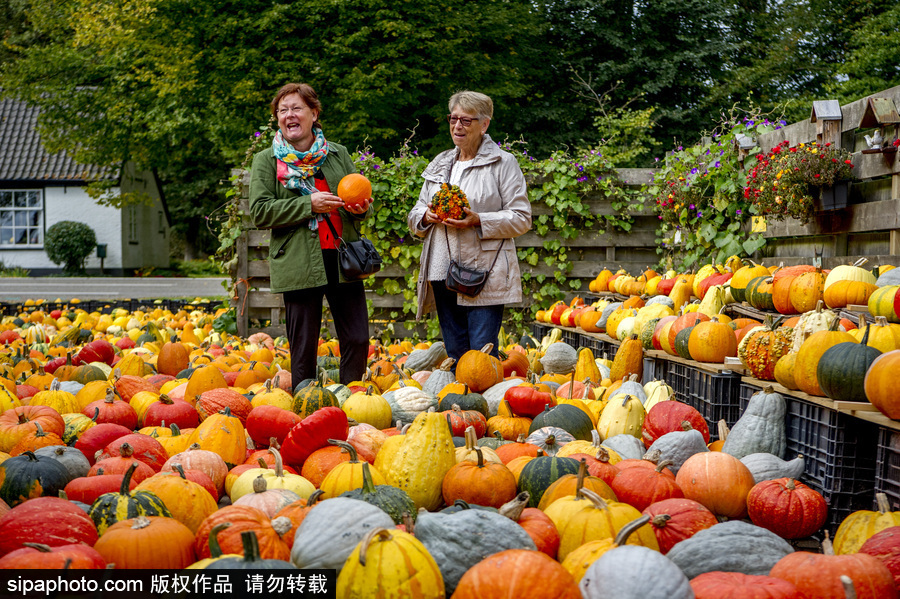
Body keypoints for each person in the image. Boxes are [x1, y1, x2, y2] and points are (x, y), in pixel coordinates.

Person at [249, 83, 373, 386]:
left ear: (313, 113)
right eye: (283, 110)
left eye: (296, 108)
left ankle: (350, 399)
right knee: (303, 347)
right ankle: (305, 406)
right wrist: (308, 204)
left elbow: (356, 197)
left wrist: (361, 209)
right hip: (298, 260)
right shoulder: (267, 160)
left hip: (343, 258)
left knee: (357, 338)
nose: (289, 115)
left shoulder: (337, 154)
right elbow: (261, 211)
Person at [407, 91, 531, 361]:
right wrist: (426, 217)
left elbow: (522, 217)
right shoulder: (440, 163)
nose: (457, 126)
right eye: (453, 119)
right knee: (455, 353)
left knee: (481, 356)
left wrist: (479, 220)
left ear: (484, 124)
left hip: (481, 273)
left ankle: (482, 402)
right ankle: (460, 403)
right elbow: (417, 211)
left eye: (466, 120)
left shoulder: (502, 163)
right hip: (441, 271)